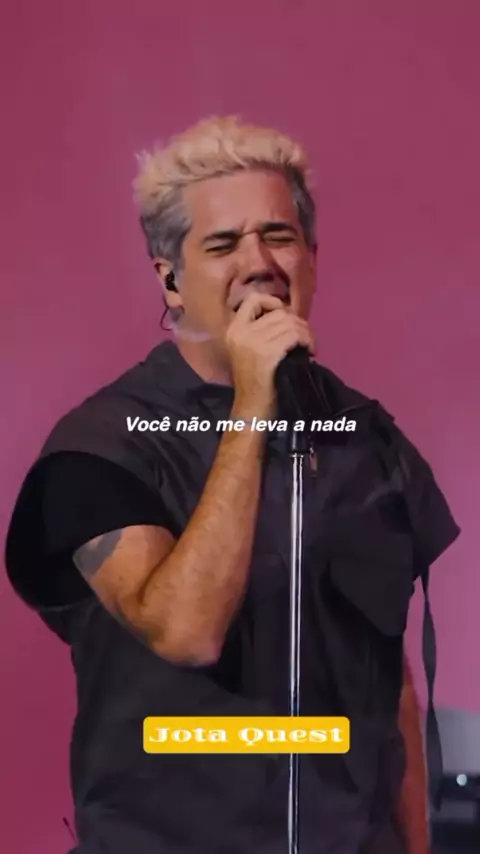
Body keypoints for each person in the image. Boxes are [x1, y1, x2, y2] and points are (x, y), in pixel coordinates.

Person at [5, 116, 460, 854]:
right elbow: (183, 632)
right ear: (171, 281)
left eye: (279, 237)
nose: (259, 262)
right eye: (222, 245)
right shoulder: (100, 447)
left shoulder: (366, 439)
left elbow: (391, 686)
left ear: (312, 259)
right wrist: (253, 406)